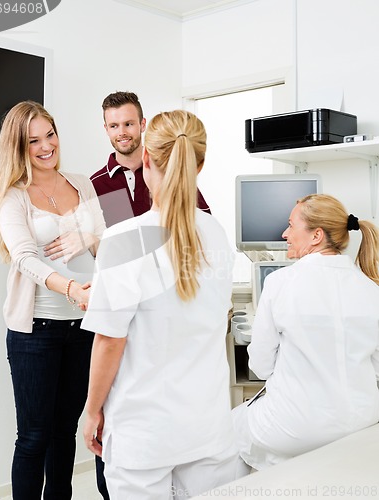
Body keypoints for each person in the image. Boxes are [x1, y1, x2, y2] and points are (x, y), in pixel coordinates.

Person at [81, 110, 240, 499]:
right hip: (208, 429)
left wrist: (92, 410)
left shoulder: (123, 239)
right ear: (199, 164)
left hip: (144, 435)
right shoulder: (217, 234)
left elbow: (109, 341)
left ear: (147, 159)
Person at [0, 101, 106, 500]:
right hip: (36, 331)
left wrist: (88, 237)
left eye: (49, 135)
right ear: (19, 147)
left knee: (64, 431)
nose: (45, 146)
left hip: (84, 327)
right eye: (33, 140)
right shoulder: (11, 195)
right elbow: (23, 257)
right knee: (34, 436)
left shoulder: (82, 183)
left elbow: (115, 236)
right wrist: (70, 289)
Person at [232, 193, 379, 472]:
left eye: (291, 225)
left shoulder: (279, 283)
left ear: (316, 236)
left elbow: (260, 367)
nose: (285, 233)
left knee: (228, 431)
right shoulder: (372, 290)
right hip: (363, 423)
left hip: (297, 428)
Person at [90, 91, 211, 227]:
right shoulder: (93, 186)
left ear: (142, 124)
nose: (122, 132)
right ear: (106, 129)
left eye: (128, 124)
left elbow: (204, 224)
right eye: (114, 126)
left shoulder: (168, 173)